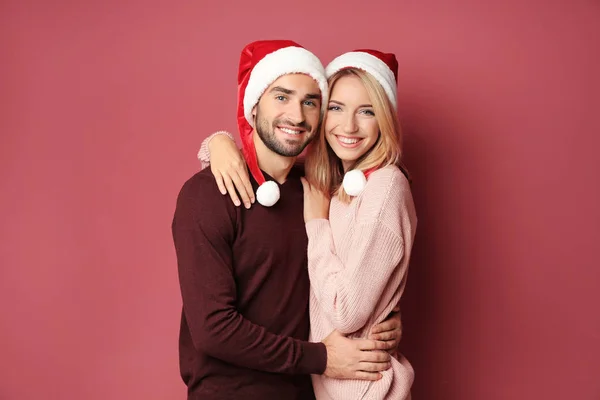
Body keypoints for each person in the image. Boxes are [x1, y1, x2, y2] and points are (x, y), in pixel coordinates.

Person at [172, 40, 402, 400]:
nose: (296, 116)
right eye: (281, 97)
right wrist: (322, 358)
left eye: (310, 102)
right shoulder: (207, 195)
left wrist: (385, 318)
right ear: (253, 105)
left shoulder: (318, 193)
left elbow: (356, 273)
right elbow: (213, 329)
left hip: (308, 392)